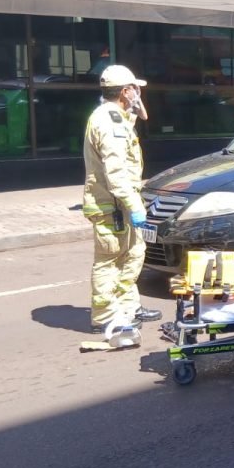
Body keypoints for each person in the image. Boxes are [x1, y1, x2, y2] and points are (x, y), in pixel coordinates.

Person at [81, 64, 161, 337]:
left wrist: (135, 111)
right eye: (135, 89)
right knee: (109, 259)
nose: (139, 93)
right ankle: (104, 316)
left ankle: (129, 307)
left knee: (133, 254)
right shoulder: (109, 121)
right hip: (111, 205)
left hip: (119, 203)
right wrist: (134, 206)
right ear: (126, 91)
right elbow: (115, 172)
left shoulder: (118, 117)